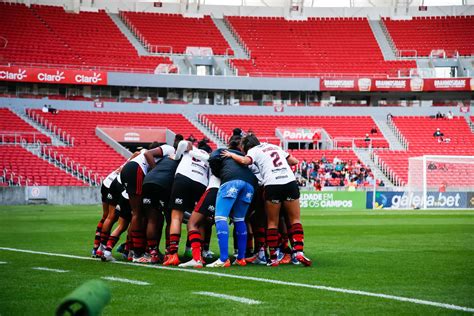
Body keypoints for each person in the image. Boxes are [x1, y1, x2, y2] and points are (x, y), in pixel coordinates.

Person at [225, 134, 312, 267]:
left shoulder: (254, 151)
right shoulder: (274, 146)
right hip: (290, 182)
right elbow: (294, 161)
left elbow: (244, 161)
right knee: (294, 220)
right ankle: (298, 252)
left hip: (272, 185)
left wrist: (231, 155)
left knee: (272, 222)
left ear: (247, 147)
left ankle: (273, 258)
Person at [120, 135, 181, 262]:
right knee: (139, 214)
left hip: (137, 172)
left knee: (149, 215)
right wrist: (154, 170)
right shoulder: (170, 149)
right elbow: (146, 153)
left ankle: (141, 251)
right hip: (138, 170)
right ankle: (137, 253)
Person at [205, 135, 258, 267]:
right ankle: (241, 258)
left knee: (220, 217)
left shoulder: (222, 151)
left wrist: (219, 173)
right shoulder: (243, 156)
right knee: (240, 219)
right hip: (250, 184)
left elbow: (212, 158)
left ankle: (223, 259)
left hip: (232, 180)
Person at [162, 139, 211, 266]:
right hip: (201, 183)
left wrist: (177, 156)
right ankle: (198, 255)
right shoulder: (209, 156)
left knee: (176, 217)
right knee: (199, 221)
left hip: (184, 178)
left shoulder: (192, 149)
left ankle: (173, 254)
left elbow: (183, 143)